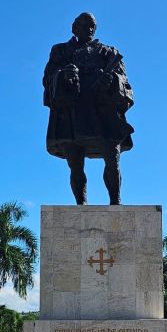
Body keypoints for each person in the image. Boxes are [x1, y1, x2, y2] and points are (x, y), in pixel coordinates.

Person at [43, 12, 134, 204]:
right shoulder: (61, 51)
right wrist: (64, 75)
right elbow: (48, 77)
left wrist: (113, 80)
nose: (89, 29)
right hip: (73, 112)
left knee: (112, 157)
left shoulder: (109, 52)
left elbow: (125, 81)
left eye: (92, 25)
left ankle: (116, 202)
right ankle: (81, 204)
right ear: (74, 28)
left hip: (103, 112)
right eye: (84, 25)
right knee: (75, 163)